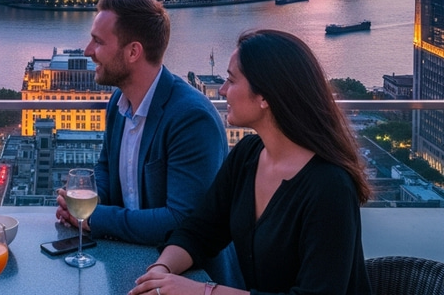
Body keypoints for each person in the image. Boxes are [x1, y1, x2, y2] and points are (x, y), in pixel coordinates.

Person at [130, 29, 372, 295]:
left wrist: (202, 291)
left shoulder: (330, 186)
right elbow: (199, 231)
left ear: (265, 97)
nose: (222, 91)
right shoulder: (248, 155)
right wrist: (160, 271)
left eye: (231, 81)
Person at [55, 0, 239, 286]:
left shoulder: (190, 118)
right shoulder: (120, 100)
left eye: (99, 42)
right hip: (127, 261)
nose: (89, 51)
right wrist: (83, 205)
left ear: (133, 52)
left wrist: (95, 219)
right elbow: (105, 167)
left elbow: (182, 221)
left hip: (188, 279)